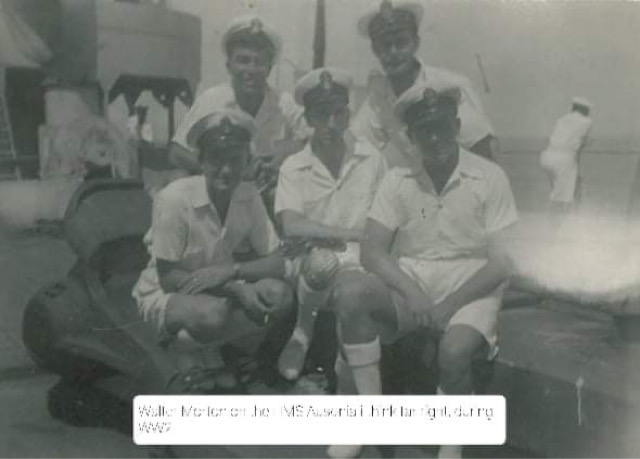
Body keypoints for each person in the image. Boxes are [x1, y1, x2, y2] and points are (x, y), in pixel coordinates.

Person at [327, 81, 518, 459]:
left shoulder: (490, 177)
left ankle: (451, 441)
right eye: (425, 130)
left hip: (473, 285)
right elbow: (372, 250)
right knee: (351, 294)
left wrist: (447, 306)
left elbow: (502, 261)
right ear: (411, 136)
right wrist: (412, 293)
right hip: (413, 279)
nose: (435, 137)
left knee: (453, 352)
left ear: (457, 126)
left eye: (443, 126)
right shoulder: (398, 179)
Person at [132, 108, 293, 394]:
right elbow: (169, 276)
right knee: (214, 315)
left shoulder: (248, 195)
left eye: (235, 160)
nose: (227, 170)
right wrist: (238, 290)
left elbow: (278, 261)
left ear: (246, 161)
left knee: (280, 296)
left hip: (219, 284)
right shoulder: (174, 199)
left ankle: (216, 356)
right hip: (167, 292)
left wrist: (232, 271)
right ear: (202, 162)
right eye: (217, 160)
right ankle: (181, 352)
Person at [274, 68, 387, 381]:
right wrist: (350, 234)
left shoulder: (371, 159)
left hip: (360, 258)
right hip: (311, 260)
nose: (330, 124)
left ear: (348, 114)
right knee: (323, 264)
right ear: (308, 118)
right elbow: (293, 226)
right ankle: (302, 331)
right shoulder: (295, 166)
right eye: (321, 114)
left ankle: (346, 379)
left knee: (356, 296)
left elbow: (385, 215)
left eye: (338, 113)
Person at [169, 15, 310, 203]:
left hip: (264, 196)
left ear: (269, 69)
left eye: (259, 62)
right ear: (229, 66)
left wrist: (287, 153)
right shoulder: (213, 99)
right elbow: (176, 152)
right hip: (219, 192)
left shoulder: (282, 103)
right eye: (243, 60)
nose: (250, 70)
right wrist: (220, 167)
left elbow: (316, 137)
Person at [352, 0, 496, 168]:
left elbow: (485, 150)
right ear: (375, 51)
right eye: (385, 45)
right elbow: (355, 144)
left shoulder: (450, 86)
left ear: (416, 43)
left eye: (401, 42)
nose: (393, 52)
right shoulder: (379, 99)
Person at [539, 97, 593, 213]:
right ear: (585, 110)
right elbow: (580, 144)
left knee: (556, 193)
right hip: (564, 160)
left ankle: (558, 221)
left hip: (547, 156)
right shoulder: (587, 122)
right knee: (563, 199)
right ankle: (559, 225)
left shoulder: (561, 119)